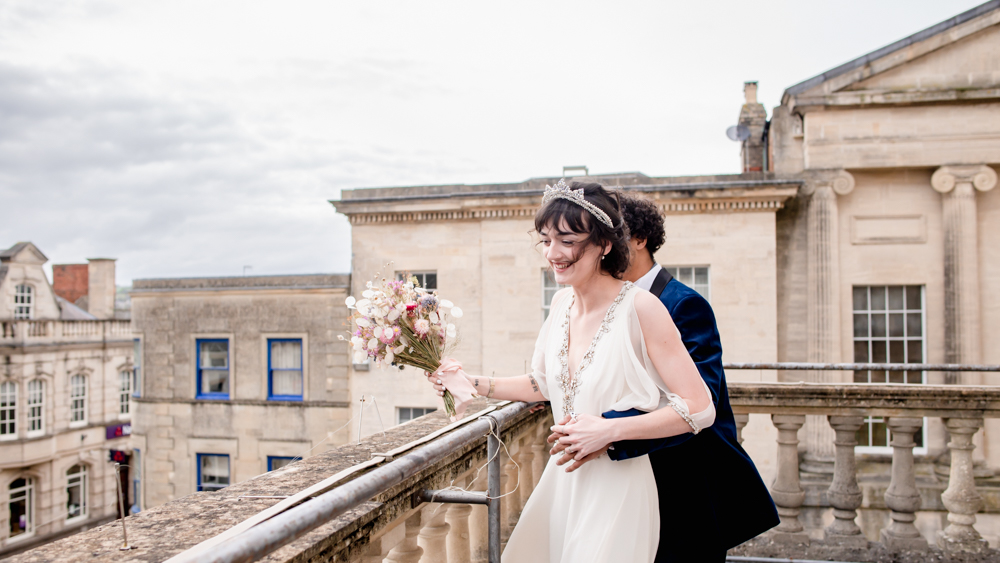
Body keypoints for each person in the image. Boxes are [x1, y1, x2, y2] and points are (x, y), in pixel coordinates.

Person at [426, 181, 717, 562]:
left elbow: (700, 407)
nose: (553, 253)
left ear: (605, 245)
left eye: (567, 240)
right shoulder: (560, 304)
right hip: (562, 482)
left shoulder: (643, 308)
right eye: (546, 240)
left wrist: (610, 430)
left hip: (619, 487)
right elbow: (542, 383)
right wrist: (471, 382)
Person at [547, 192, 779, 562]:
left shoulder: (683, 304)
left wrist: (607, 429)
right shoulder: (591, 305)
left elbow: (704, 399)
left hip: (682, 477)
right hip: (620, 475)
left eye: (613, 236)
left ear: (636, 241)